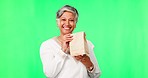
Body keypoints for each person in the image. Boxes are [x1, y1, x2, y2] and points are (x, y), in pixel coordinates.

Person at [40, 5, 101, 78]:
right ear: (57, 23)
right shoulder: (48, 45)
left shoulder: (87, 43)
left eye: (71, 20)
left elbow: (96, 75)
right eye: (63, 19)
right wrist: (62, 52)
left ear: (75, 24)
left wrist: (88, 63)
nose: (67, 23)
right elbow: (49, 74)